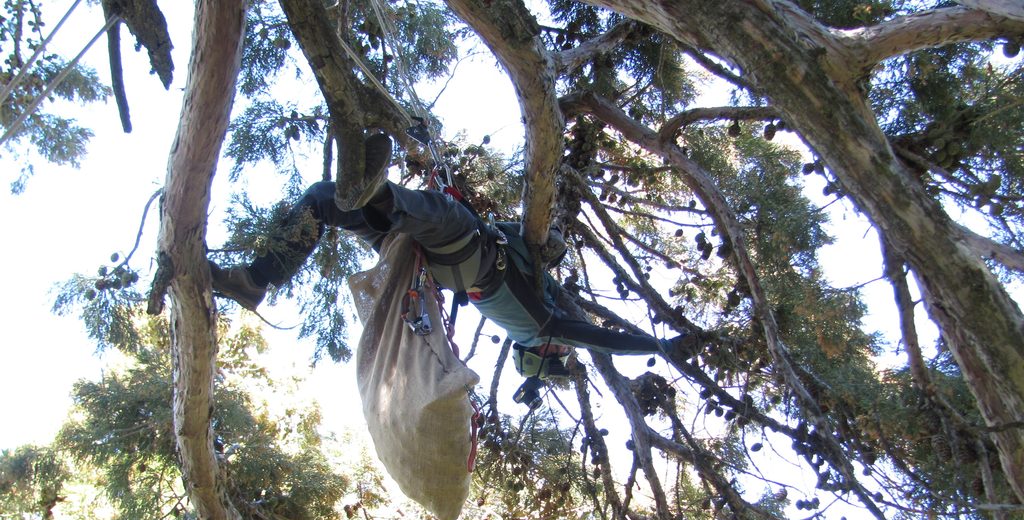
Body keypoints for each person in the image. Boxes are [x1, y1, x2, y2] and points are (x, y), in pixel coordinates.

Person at [210, 134, 699, 378]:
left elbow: (602, 338)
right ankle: (256, 279)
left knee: (445, 213)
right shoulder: (537, 302)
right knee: (322, 200)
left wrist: (658, 348)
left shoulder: (546, 327)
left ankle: (378, 195)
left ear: (546, 350)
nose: (567, 346)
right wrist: (548, 246)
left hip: (462, 248)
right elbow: (541, 260)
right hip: (430, 261)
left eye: (560, 354)